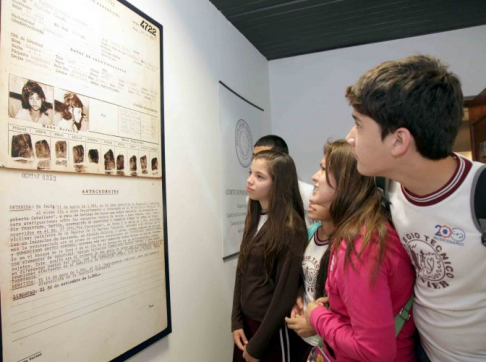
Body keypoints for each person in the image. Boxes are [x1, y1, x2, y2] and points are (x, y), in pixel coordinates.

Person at [345, 54, 486, 361]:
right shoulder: (387, 190)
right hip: (422, 350)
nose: (350, 138)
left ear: (399, 142)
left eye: (358, 125)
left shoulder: (480, 194)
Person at [289, 140, 415, 361]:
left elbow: (374, 351)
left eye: (324, 170)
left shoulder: (360, 246)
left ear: (346, 183)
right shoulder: (360, 231)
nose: (314, 178)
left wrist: (317, 316)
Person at [232, 150, 307, 362]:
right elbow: (241, 270)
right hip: (247, 325)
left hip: (269, 331)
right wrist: (236, 321)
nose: (250, 180)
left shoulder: (290, 228)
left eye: (260, 176)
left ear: (278, 184)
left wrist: (257, 346)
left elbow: (284, 296)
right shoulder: (254, 215)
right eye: (250, 173)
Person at [253, 135, 314, 225]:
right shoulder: (254, 196)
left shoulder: (308, 192)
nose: (256, 160)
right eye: (254, 156)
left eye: (264, 156)